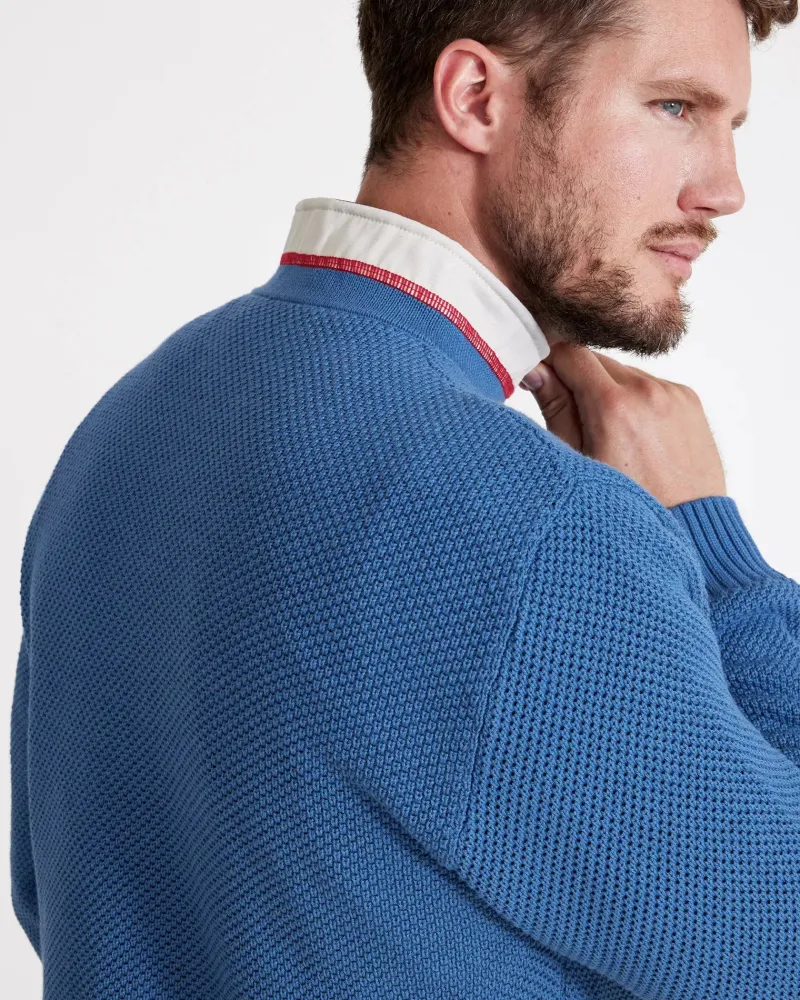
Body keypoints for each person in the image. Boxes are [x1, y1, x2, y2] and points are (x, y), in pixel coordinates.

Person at [10, 0, 800, 996]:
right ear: (474, 97)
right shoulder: (536, 525)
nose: (724, 188)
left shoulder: (132, 422)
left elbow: (60, 894)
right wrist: (715, 559)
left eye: (732, 125)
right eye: (675, 107)